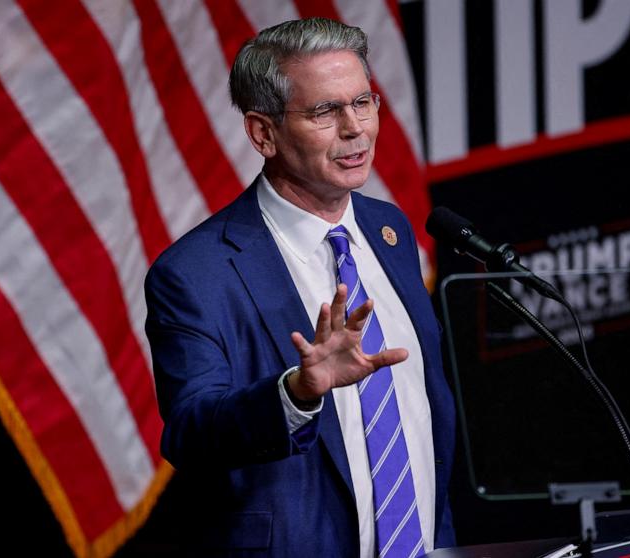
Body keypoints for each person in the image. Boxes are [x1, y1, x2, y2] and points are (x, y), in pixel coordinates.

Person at [144, 17, 455, 557]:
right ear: (263, 133)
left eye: (363, 102)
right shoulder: (197, 273)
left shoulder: (390, 229)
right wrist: (296, 392)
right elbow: (190, 433)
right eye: (325, 111)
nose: (356, 127)